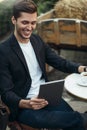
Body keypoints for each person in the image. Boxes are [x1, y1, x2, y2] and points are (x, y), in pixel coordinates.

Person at [0, 0, 87, 130]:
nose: (29, 27)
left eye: (33, 23)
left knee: (73, 120)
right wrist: (26, 103)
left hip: (47, 97)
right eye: (25, 22)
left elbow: (58, 61)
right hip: (23, 106)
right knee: (76, 120)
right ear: (14, 20)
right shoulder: (3, 51)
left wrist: (82, 68)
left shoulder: (37, 41)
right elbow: (6, 92)